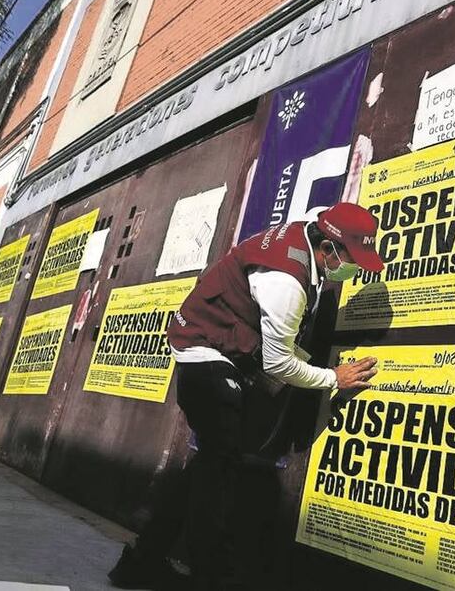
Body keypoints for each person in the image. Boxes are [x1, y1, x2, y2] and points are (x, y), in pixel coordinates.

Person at [109, 202, 385, 590]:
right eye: (352, 260)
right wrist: (332, 378)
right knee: (218, 472)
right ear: (327, 250)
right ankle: (208, 577)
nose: (353, 270)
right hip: (205, 355)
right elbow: (277, 364)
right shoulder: (286, 284)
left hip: (215, 347)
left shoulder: (312, 228)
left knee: (209, 465)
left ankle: (142, 562)